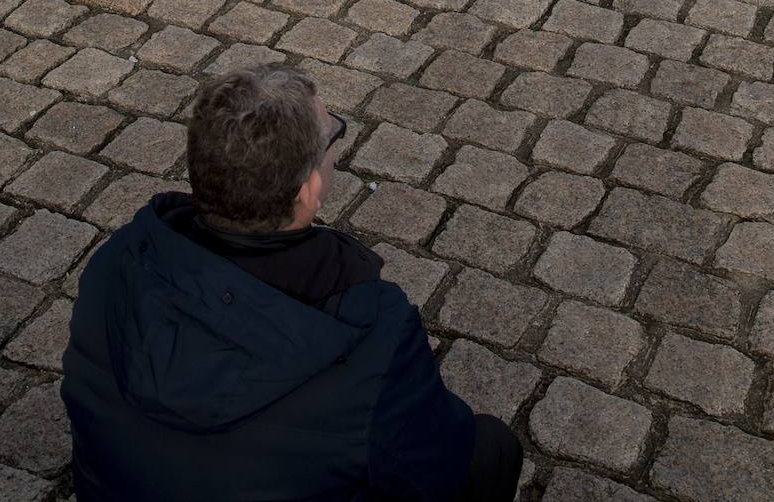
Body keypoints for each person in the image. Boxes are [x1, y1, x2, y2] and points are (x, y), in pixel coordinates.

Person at [62, 65, 523, 502]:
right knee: (492, 450)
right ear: (308, 189)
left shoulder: (118, 260)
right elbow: (433, 473)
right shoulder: (374, 336)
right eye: (332, 137)